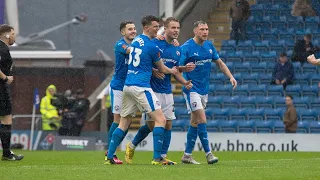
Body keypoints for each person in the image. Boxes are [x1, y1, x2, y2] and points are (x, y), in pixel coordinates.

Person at [105, 15, 178, 165]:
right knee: (161, 120)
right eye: (156, 27)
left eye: (159, 27)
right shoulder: (152, 47)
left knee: (123, 123)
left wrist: (157, 37)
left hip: (127, 86)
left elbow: (140, 49)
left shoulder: (137, 40)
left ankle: (110, 156)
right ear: (147, 27)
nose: (158, 29)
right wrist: (174, 71)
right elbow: (162, 68)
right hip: (141, 87)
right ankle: (157, 158)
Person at [124, 17, 195, 165]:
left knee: (168, 124)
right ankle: (132, 145)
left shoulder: (177, 49)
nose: (176, 31)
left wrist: (184, 78)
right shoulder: (154, 43)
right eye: (173, 28)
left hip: (167, 90)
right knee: (153, 124)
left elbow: (173, 70)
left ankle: (162, 156)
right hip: (151, 89)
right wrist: (154, 70)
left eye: (178, 28)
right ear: (165, 29)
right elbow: (142, 62)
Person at [180, 21, 237, 164]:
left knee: (194, 122)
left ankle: (187, 155)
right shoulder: (186, 48)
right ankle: (209, 154)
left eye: (206, 29)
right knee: (202, 119)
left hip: (204, 90)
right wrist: (183, 71)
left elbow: (220, 63)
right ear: (195, 31)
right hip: (190, 88)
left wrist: (230, 76)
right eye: (202, 29)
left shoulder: (209, 46)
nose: (205, 32)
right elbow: (176, 67)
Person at [103, 21, 137, 164]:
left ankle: (112, 150)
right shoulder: (120, 45)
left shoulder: (137, 44)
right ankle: (110, 152)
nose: (133, 31)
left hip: (130, 86)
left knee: (127, 122)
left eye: (134, 29)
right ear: (123, 32)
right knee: (117, 120)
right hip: (118, 86)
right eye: (130, 29)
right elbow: (132, 51)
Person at [0, 24, 24, 160]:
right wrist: (5, 78)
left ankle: (7, 153)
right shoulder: (2, 48)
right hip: (1, 88)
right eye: (13, 34)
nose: (14, 36)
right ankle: (7, 153)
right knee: (6, 118)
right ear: (7, 35)